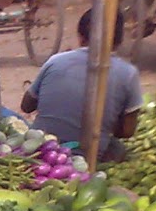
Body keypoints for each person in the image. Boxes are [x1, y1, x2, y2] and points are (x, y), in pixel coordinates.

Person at [21, 11, 142, 161]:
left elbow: (26, 106)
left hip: (39, 146)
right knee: (118, 149)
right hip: (86, 156)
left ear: (80, 37)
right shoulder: (128, 73)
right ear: (119, 41)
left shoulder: (55, 61)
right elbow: (127, 131)